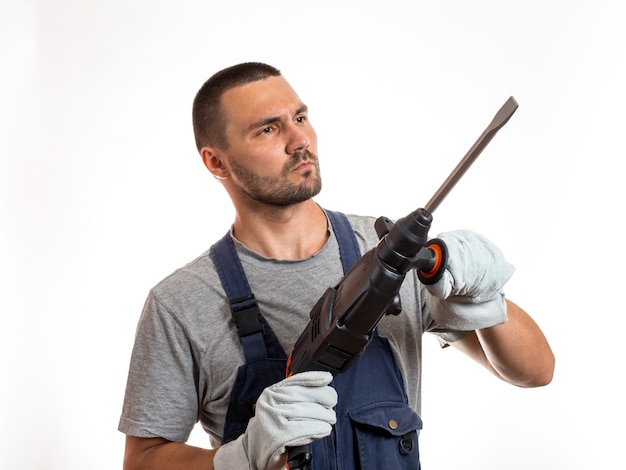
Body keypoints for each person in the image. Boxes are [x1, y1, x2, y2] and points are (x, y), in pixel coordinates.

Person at [118, 62, 555, 470]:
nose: (298, 140)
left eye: (301, 117)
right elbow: (143, 460)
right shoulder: (180, 303)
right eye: (268, 129)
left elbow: (535, 372)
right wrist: (240, 460)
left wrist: (480, 296)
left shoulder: (387, 253)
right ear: (216, 161)